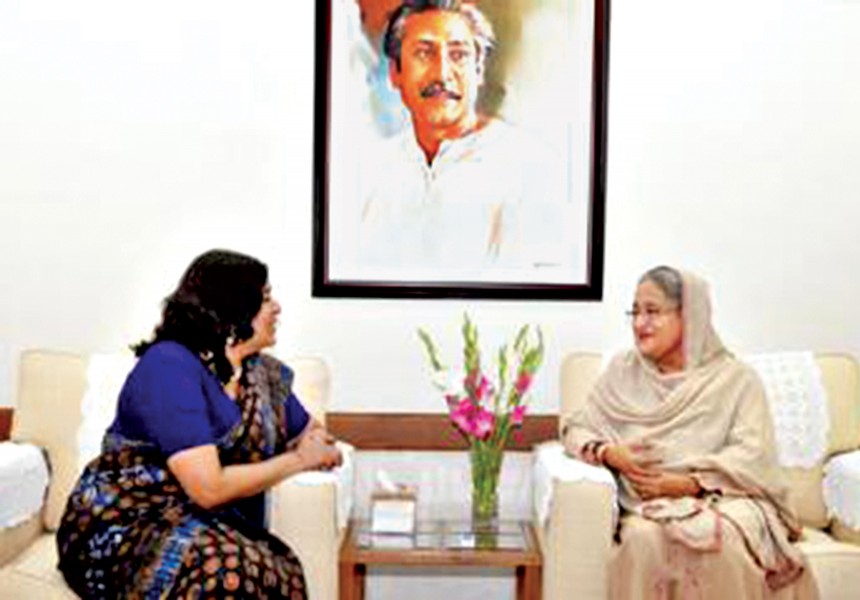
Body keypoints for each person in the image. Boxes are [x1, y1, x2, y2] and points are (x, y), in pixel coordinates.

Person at [56, 249, 342, 599]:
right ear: (234, 305)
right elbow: (207, 488)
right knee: (227, 567)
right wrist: (298, 459)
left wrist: (315, 448)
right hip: (131, 525)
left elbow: (313, 435)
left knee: (262, 567)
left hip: (216, 527)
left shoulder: (260, 374)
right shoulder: (169, 366)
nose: (277, 307)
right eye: (266, 297)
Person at [562, 266, 817, 599]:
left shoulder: (736, 379)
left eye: (653, 311)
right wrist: (611, 454)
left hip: (724, 499)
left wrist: (691, 483)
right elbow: (576, 427)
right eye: (635, 312)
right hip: (647, 507)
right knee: (641, 540)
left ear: (690, 316)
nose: (640, 324)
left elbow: (751, 455)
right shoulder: (623, 372)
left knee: (718, 538)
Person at [354, 0, 567, 276]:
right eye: (423, 53)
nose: (442, 74)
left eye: (458, 55)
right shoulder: (369, 170)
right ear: (396, 73)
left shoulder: (531, 167)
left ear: (478, 71)